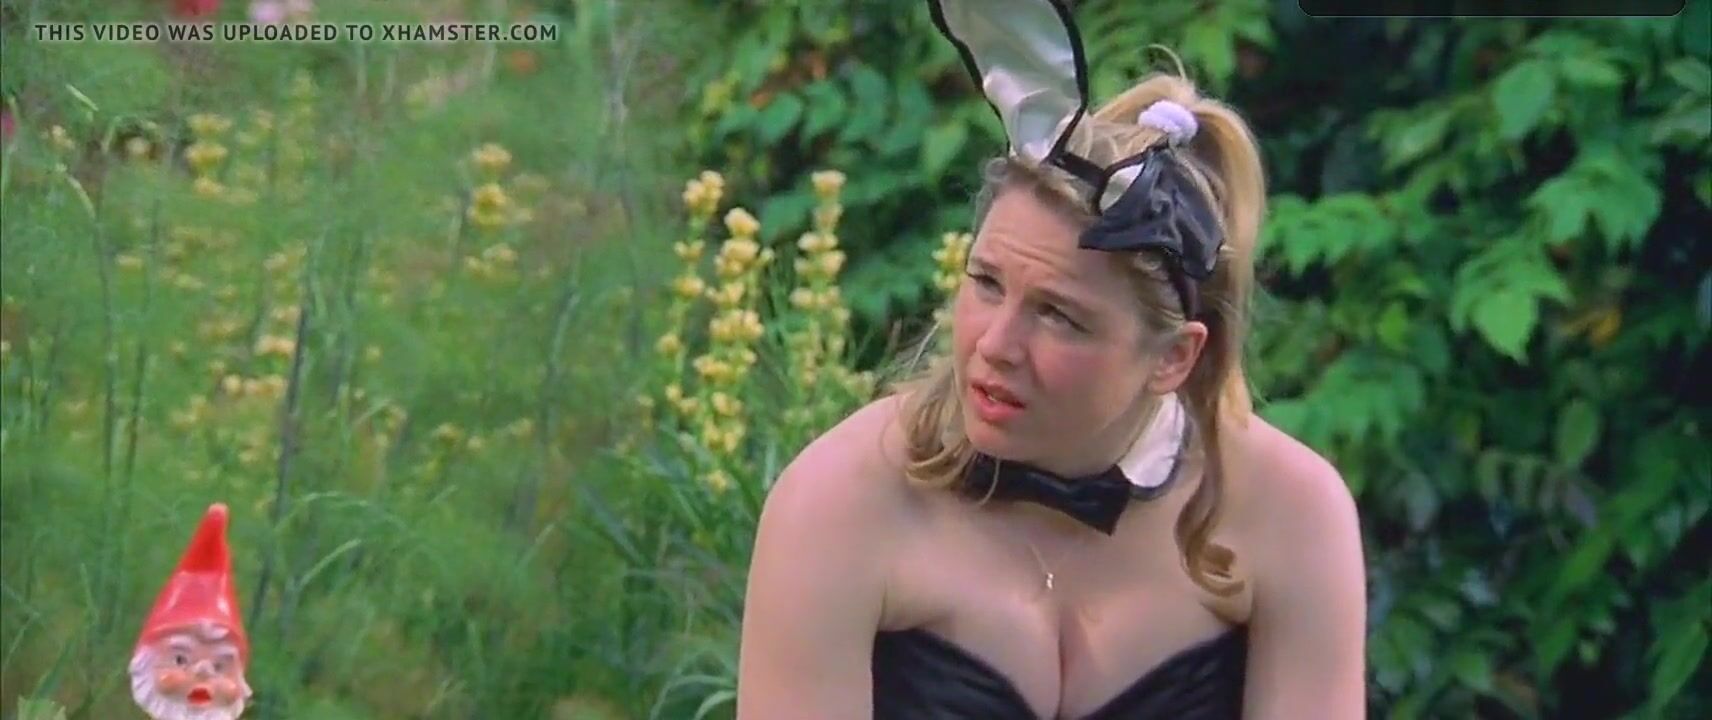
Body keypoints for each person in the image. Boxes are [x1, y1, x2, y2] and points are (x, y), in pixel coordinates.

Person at [736, 2, 1366, 718]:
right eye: (986, 282)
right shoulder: (842, 500)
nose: (994, 345)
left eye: (1059, 316)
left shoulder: (1291, 513)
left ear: (1173, 357)